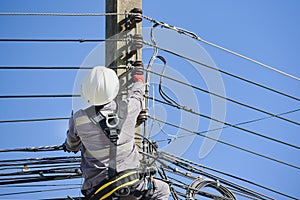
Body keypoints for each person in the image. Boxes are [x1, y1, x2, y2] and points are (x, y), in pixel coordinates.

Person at [63, 66, 170, 199]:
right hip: (132, 183)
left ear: (85, 91)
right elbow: (138, 95)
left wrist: (68, 146)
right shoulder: (128, 108)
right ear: (114, 89)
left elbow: (72, 145)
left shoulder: (78, 119)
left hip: (98, 189)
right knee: (163, 190)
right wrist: (138, 77)